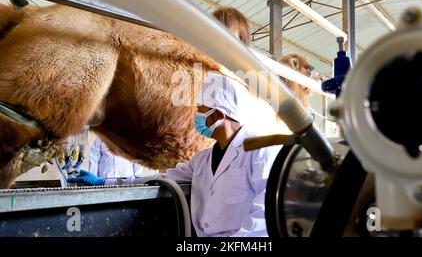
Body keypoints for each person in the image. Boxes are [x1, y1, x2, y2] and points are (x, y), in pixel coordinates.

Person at [69, 72, 280, 237]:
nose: (196, 116)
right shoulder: (202, 161)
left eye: (201, 110)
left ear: (218, 115)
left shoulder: (260, 149)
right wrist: (104, 182)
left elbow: (266, 213)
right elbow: (161, 179)